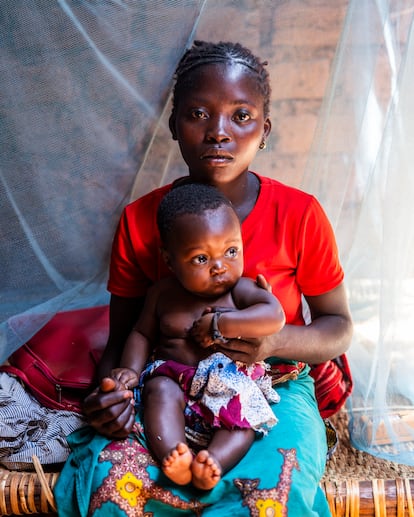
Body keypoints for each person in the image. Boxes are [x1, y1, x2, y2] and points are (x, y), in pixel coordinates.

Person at [54, 40, 353, 516]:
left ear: (265, 129)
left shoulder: (299, 214)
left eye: (241, 115)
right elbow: (126, 335)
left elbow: (338, 327)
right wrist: (108, 393)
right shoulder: (140, 220)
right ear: (174, 126)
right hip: (167, 383)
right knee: (109, 477)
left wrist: (272, 344)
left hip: (271, 384)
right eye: (197, 114)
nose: (218, 132)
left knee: (277, 489)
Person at [111, 183, 285, 490]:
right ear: (169, 260)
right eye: (201, 259)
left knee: (242, 422)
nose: (220, 267)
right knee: (158, 392)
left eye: (231, 251)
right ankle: (174, 456)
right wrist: (130, 369)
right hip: (175, 385)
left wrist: (222, 324)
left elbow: (274, 316)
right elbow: (141, 333)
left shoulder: (240, 290)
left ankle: (213, 462)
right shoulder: (162, 294)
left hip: (227, 386)